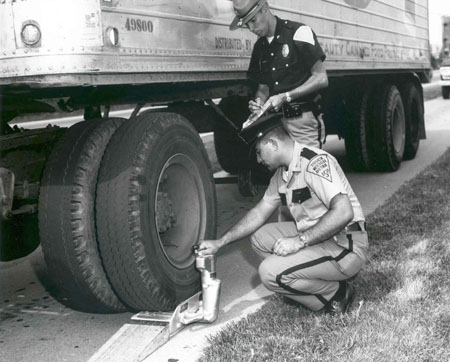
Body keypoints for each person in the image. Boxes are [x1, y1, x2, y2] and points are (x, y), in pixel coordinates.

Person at [198, 116, 369, 313]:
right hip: (321, 237)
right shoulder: (282, 174)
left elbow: (344, 212)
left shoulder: (315, 162)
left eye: (259, 152)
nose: (258, 159)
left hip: (346, 244)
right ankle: (302, 282)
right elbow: (259, 212)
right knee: (260, 238)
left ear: (272, 143)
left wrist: (299, 241)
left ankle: (336, 293)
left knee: (269, 273)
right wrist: (220, 242)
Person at [230, 0, 329, 149]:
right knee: (282, 172)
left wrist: (286, 96)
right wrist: (258, 104)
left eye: (253, 21)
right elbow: (263, 89)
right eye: (246, 24)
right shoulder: (259, 48)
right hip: (275, 125)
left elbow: (321, 78)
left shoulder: (298, 32)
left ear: (265, 8)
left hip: (303, 122)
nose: (251, 28)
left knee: (307, 168)